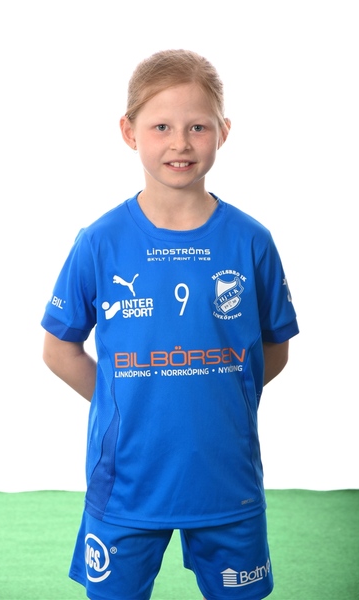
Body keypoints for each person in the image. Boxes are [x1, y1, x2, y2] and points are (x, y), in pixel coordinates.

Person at [41, 49, 299, 600]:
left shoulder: (251, 241)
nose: (180, 143)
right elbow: (59, 349)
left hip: (227, 482)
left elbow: (273, 349)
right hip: (127, 486)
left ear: (223, 131)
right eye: (161, 126)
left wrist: (217, 391)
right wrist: (125, 396)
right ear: (129, 132)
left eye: (197, 127)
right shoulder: (100, 242)